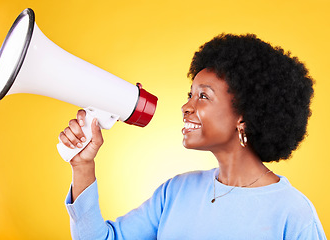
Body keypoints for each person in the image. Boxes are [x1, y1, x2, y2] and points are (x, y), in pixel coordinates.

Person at [59, 33, 326, 239]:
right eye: (190, 95)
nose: (186, 107)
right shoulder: (175, 192)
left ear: (244, 115)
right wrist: (83, 166)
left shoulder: (293, 213)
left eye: (203, 96)